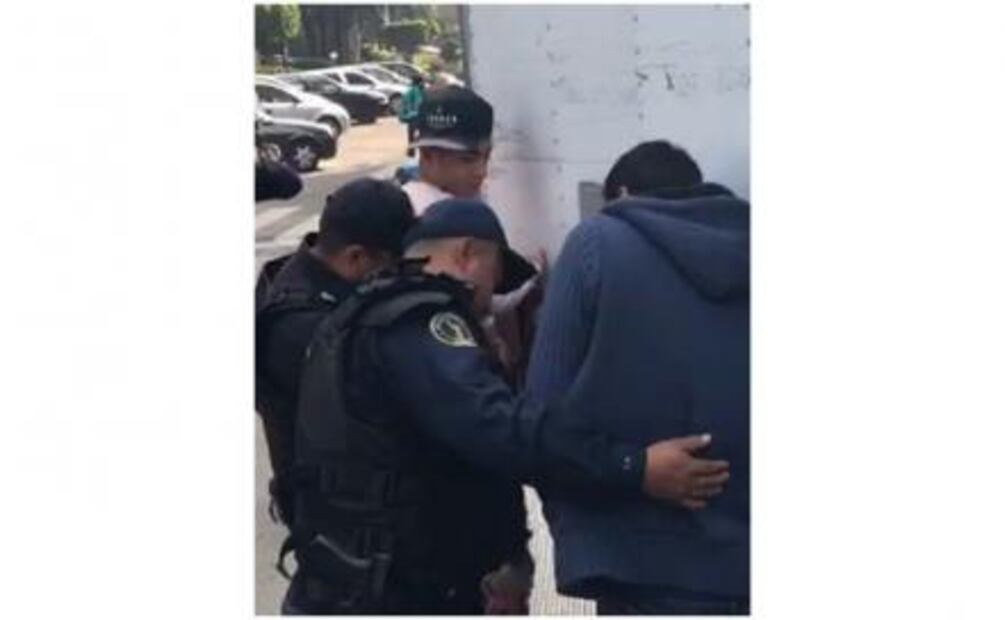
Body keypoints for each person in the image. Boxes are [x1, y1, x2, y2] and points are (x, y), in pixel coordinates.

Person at [283, 197, 732, 614]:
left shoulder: (369, 311)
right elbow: (500, 429)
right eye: (496, 273)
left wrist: (511, 553)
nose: (493, 292)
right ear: (466, 254)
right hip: (392, 593)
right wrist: (634, 467)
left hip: (363, 581)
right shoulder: (419, 321)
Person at [525, 140, 751, 614]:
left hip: (639, 566)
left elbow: (541, 419)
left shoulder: (596, 243)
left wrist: (593, 519)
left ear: (623, 196)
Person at [255, 178, 415, 529]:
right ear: (355, 256)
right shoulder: (305, 326)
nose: (396, 278)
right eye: (391, 266)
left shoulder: (298, 275)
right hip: (339, 524)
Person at [398, 75, 425, 157]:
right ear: (420, 82)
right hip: (418, 116)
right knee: (422, 133)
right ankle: (420, 150)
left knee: (411, 134)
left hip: (411, 117)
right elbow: (419, 103)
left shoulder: (409, 91)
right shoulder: (419, 91)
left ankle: (411, 150)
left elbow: (403, 105)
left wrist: (404, 116)